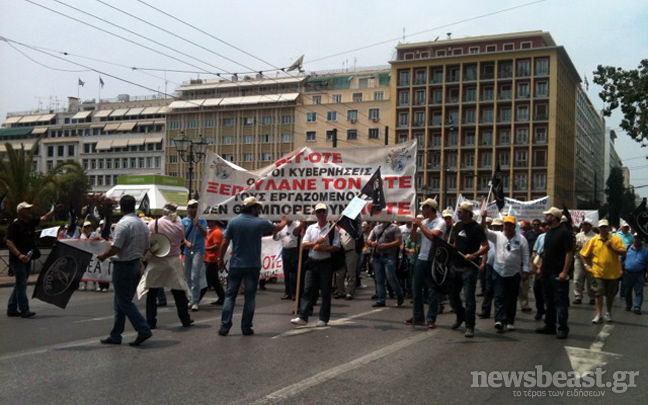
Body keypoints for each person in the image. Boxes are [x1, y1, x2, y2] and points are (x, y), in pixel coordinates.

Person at [218, 197, 287, 336]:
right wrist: (285, 217)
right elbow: (279, 227)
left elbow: (225, 242)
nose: (259, 210)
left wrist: (220, 260)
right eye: (257, 208)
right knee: (249, 297)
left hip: (236, 264)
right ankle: (246, 327)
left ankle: (225, 327)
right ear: (252, 208)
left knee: (230, 296)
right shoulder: (260, 222)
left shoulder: (233, 222)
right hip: (253, 265)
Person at [97, 195, 152, 346]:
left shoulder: (123, 224)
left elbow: (116, 247)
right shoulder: (142, 225)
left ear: (121, 207)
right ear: (134, 206)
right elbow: (147, 246)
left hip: (123, 266)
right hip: (136, 264)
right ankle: (116, 335)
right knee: (119, 301)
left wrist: (103, 255)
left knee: (124, 301)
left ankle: (143, 329)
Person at [137, 203, 193, 329]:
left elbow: (149, 242)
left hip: (157, 260)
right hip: (173, 261)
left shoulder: (153, 224)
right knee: (178, 291)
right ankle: (185, 319)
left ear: (163, 212)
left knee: (152, 292)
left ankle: (151, 321)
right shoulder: (179, 225)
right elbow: (180, 241)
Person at [6, 202, 59, 318]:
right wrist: (19, 255)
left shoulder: (30, 222)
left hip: (28, 258)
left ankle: (12, 308)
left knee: (20, 283)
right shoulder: (15, 225)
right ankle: (24, 309)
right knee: (21, 284)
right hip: (18, 259)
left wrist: (54, 211)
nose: (29, 211)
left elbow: (44, 218)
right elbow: (9, 242)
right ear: (20, 212)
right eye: (27, 209)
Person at [291, 203, 340, 327]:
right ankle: (303, 316)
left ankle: (323, 318)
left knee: (325, 292)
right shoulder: (311, 228)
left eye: (323, 211)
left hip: (325, 263)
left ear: (326, 213)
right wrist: (315, 244)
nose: (321, 214)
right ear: (315, 214)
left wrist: (322, 248)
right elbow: (304, 244)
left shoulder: (333, 229)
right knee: (307, 290)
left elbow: (336, 247)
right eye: (319, 212)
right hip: (312, 263)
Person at [481, 214, 530, 332]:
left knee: (511, 298)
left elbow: (526, 255)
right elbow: (484, 231)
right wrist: (483, 218)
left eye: (510, 225)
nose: (507, 227)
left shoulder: (521, 239)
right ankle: (499, 320)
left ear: (514, 226)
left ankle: (509, 320)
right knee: (499, 296)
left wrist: (526, 271)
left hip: (514, 273)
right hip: (498, 271)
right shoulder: (497, 236)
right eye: (506, 224)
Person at [449, 201, 489, 338]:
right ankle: (461, 316)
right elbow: (455, 243)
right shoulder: (457, 225)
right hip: (455, 266)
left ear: (468, 213)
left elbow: (486, 246)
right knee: (452, 296)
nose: (458, 213)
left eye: (460, 212)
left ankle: (470, 325)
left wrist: (474, 255)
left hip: (469, 269)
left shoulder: (477, 228)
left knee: (469, 298)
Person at [406, 198, 446, 328]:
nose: (422, 210)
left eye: (424, 208)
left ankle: (431, 318)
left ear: (430, 208)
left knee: (432, 290)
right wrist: (414, 228)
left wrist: (421, 226)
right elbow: (413, 238)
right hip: (421, 258)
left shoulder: (440, 222)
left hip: (433, 259)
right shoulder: (423, 222)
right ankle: (418, 317)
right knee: (416, 288)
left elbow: (433, 237)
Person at [535, 207, 573, 339]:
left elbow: (569, 253)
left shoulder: (565, 233)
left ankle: (562, 328)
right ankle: (549, 326)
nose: (546, 217)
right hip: (546, 272)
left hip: (558, 273)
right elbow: (545, 252)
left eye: (548, 215)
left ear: (555, 217)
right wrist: (540, 268)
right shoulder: (549, 232)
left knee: (560, 301)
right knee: (548, 300)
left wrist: (564, 272)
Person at [580, 219, 627, 324]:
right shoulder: (594, 240)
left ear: (608, 228)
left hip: (612, 273)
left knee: (610, 295)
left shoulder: (615, 239)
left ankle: (608, 312)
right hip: (598, 272)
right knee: (598, 293)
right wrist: (586, 265)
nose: (603, 229)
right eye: (601, 227)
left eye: (605, 227)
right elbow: (583, 254)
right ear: (598, 228)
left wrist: (612, 248)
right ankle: (598, 314)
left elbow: (624, 253)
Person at [368, 220, 405, 308]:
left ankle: (399, 293)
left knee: (390, 277)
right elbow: (369, 240)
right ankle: (381, 300)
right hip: (377, 256)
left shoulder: (395, 227)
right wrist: (372, 243)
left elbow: (398, 241)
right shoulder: (376, 228)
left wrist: (386, 245)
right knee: (379, 279)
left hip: (389, 256)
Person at [182, 199, 208, 311]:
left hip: (198, 250)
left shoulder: (202, 220)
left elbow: (204, 234)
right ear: (187, 208)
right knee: (187, 276)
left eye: (195, 207)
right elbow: (181, 236)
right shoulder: (183, 221)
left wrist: (198, 226)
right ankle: (190, 299)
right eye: (191, 207)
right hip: (187, 251)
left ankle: (195, 301)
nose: (193, 209)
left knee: (195, 276)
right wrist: (186, 242)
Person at [273, 217, 302, 301]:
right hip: (285, 251)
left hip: (295, 251)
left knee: (294, 274)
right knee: (286, 272)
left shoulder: (297, 225)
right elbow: (276, 238)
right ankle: (287, 292)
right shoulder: (282, 227)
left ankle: (294, 293)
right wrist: (274, 233)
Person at [478, 218, 501, 319]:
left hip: (500, 267)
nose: (495, 227)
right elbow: (485, 251)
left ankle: (500, 314)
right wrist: (483, 263)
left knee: (500, 292)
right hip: (490, 266)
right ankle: (485, 311)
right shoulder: (489, 237)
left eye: (498, 226)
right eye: (494, 226)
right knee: (488, 290)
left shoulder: (504, 238)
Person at [622, 235, 648, 314]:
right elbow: (621, 259)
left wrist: (647, 274)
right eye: (636, 238)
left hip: (639, 273)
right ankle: (628, 305)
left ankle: (637, 307)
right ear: (633, 239)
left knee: (639, 291)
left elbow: (647, 263)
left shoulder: (645, 251)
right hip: (628, 273)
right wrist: (620, 270)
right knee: (627, 291)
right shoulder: (627, 248)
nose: (637, 240)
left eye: (639, 238)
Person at [573, 219, 597, 305]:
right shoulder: (578, 235)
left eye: (586, 224)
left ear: (590, 226)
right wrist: (576, 247)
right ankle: (578, 296)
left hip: (590, 259)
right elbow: (574, 247)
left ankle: (592, 297)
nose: (584, 226)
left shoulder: (595, 236)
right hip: (579, 258)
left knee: (591, 279)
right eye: (583, 224)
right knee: (577, 278)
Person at [204, 215, 226, 306]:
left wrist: (205, 248)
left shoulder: (217, 232)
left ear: (213, 222)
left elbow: (217, 246)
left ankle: (196, 299)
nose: (207, 223)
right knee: (215, 281)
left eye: (209, 221)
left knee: (206, 282)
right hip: (209, 259)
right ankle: (223, 297)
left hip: (212, 259)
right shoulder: (211, 232)